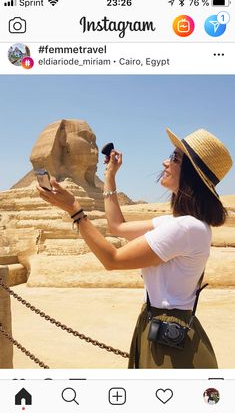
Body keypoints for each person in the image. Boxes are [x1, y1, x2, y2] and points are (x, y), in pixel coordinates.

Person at [37, 127, 233, 369]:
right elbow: (117, 226)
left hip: (168, 336)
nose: (165, 162)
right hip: (155, 324)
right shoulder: (179, 224)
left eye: (174, 158)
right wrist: (110, 176)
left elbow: (113, 260)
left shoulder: (185, 228)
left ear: (192, 173)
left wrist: (75, 211)